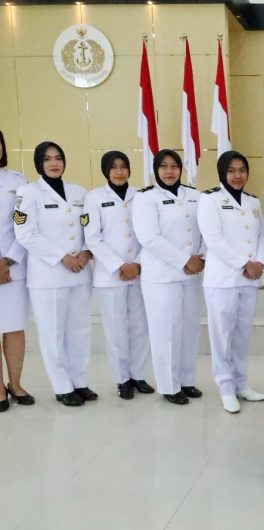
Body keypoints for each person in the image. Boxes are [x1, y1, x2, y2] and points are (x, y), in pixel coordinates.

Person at [14, 141, 95, 407]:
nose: (54, 163)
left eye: (58, 158)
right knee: (53, 333)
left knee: (79, 330)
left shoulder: (79, 192)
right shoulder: (28, 193)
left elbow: (89, 227)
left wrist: (86, 252)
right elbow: (25, 233)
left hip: (80, 271)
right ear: (39, 163)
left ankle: (79, 381)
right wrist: (62, 257)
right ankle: (62, 386)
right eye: (47, 159)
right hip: (48, 276)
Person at [198, 151, 264, 413]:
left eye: (242, 170)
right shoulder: (210, 200)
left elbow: (263, 234)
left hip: (249, 280)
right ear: (222, 173)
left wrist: (260, 262)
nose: (238, 175)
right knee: (222, 335)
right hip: (223, 279)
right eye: (231, 171)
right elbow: (213, 239)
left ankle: (241, 383)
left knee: (242, 334)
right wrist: (244, 263)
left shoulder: (253, 202)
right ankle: (225, 387)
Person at [132, 149, 205, 405]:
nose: (169, 171)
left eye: (174, 166)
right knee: (166, 331)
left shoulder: (196, 196)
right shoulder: (146, 198)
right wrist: (185, 260)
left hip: (192, 274)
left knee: (189, 329)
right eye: (163, 166)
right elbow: (149, 237)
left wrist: (202, 257)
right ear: (156, 170)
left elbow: (206, 230)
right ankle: (169, 386)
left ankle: (186, 380)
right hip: (161, 276)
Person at [83, 151, 154, 400]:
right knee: (116, 330)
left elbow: (149, 233)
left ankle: (138, 374)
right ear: (106, 170)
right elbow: (93, 238)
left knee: (139, 327)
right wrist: (119, 265)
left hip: (139, 272)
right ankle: (122, 378)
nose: (119, 171)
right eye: (113, 167)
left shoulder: (141, 196)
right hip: (109, 275)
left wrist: (137, 263)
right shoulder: (94, 198)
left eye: (123, 166)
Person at [0, 130, 33, 411]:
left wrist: (8, 260)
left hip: (13, 267)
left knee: (14, 328)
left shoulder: (18, 183)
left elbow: (24, 224)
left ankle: (16, 383)